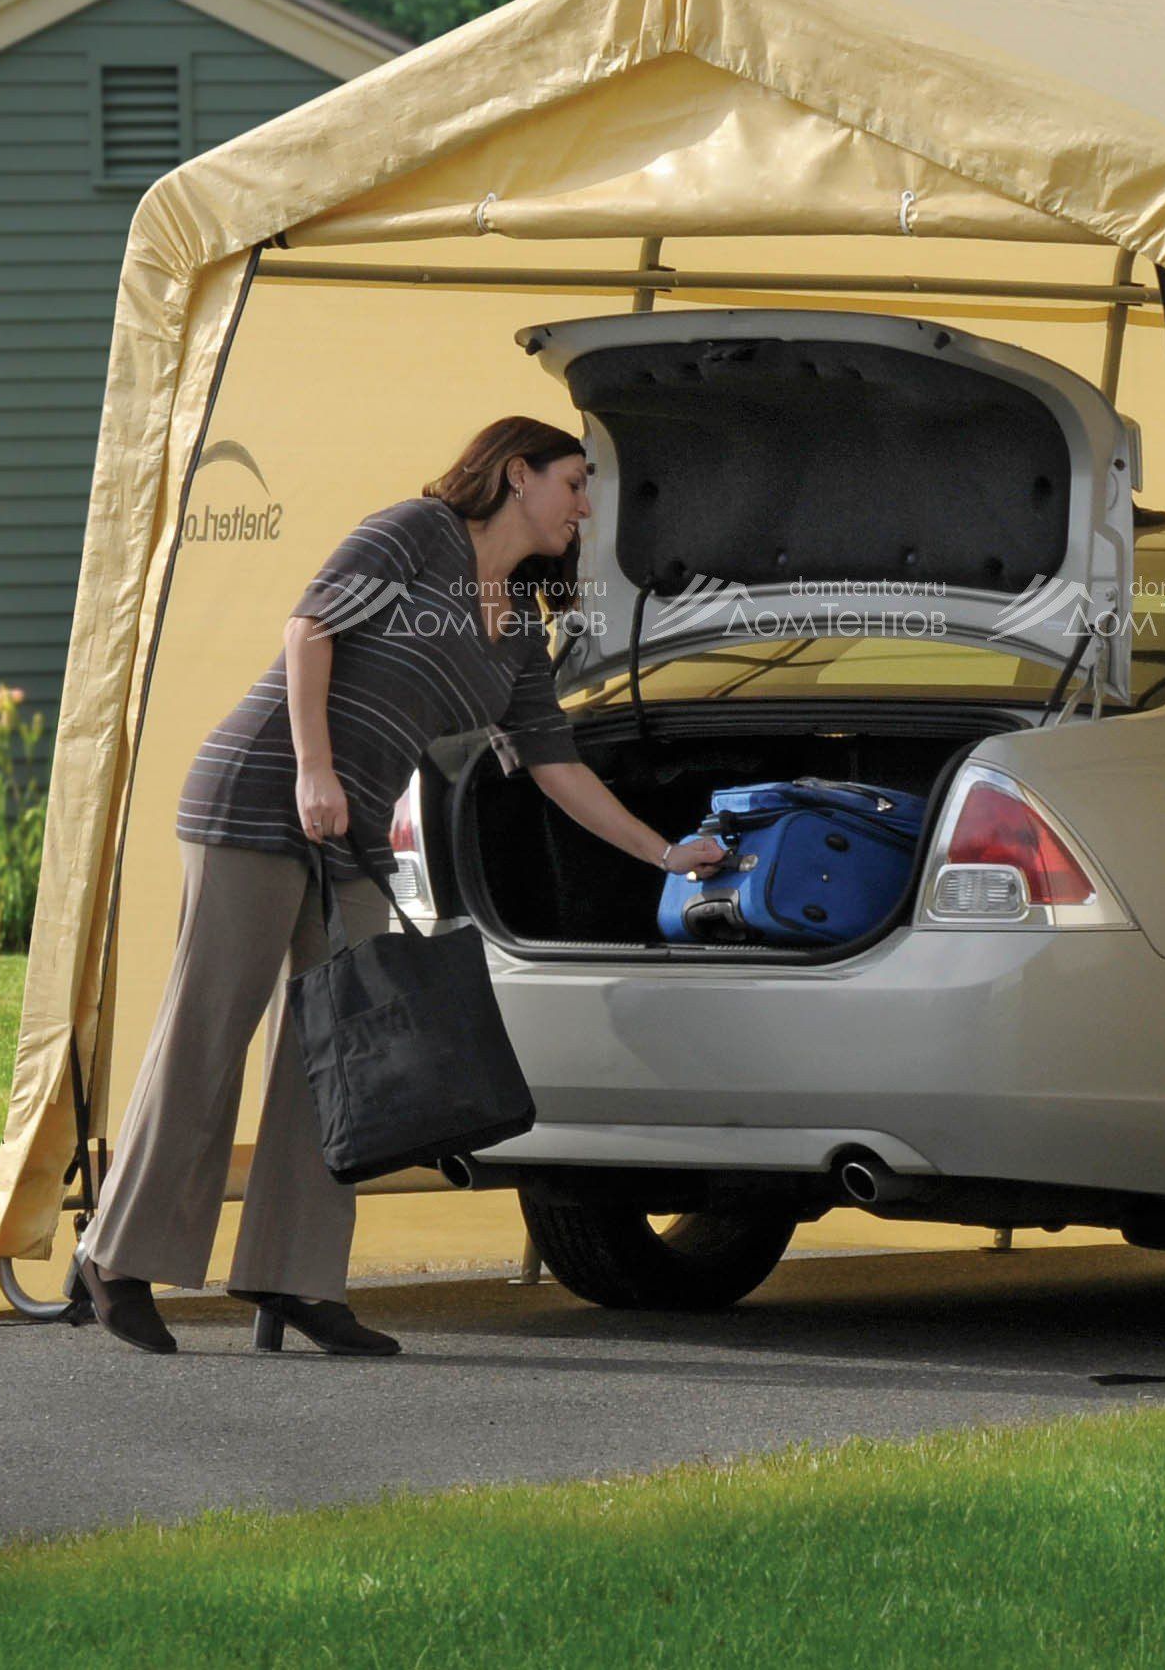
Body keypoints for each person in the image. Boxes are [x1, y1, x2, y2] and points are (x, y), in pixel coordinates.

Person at [74, 416, 728, 1356]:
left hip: (352, 838)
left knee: (345, 1058)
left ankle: (294, 1278)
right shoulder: (420, 533)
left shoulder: (519, 632)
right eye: (575, 482)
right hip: (259, 795)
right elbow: (309, 629)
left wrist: (664, 854)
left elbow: (558, 769)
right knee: (208, 1034)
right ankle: (117, 1257)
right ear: (517, 474)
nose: (586, 507)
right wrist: (313, 770)